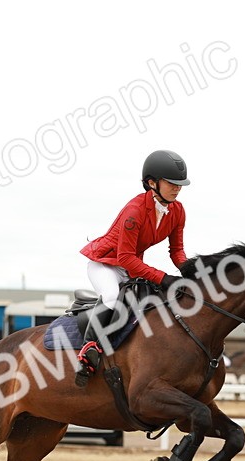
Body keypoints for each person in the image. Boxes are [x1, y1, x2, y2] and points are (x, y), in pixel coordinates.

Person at [74, 149, 190, 387]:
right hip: (105, 263)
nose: (177, 188)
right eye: (172, 183)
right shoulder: (134, 211)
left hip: (130, 266)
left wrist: (190, 271)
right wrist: (163, 278)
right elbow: (125, 257)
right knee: (111, 297)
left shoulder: (177, 211)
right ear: (152, 183)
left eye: (180, 184)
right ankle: (88, 350)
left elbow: (176, 251)